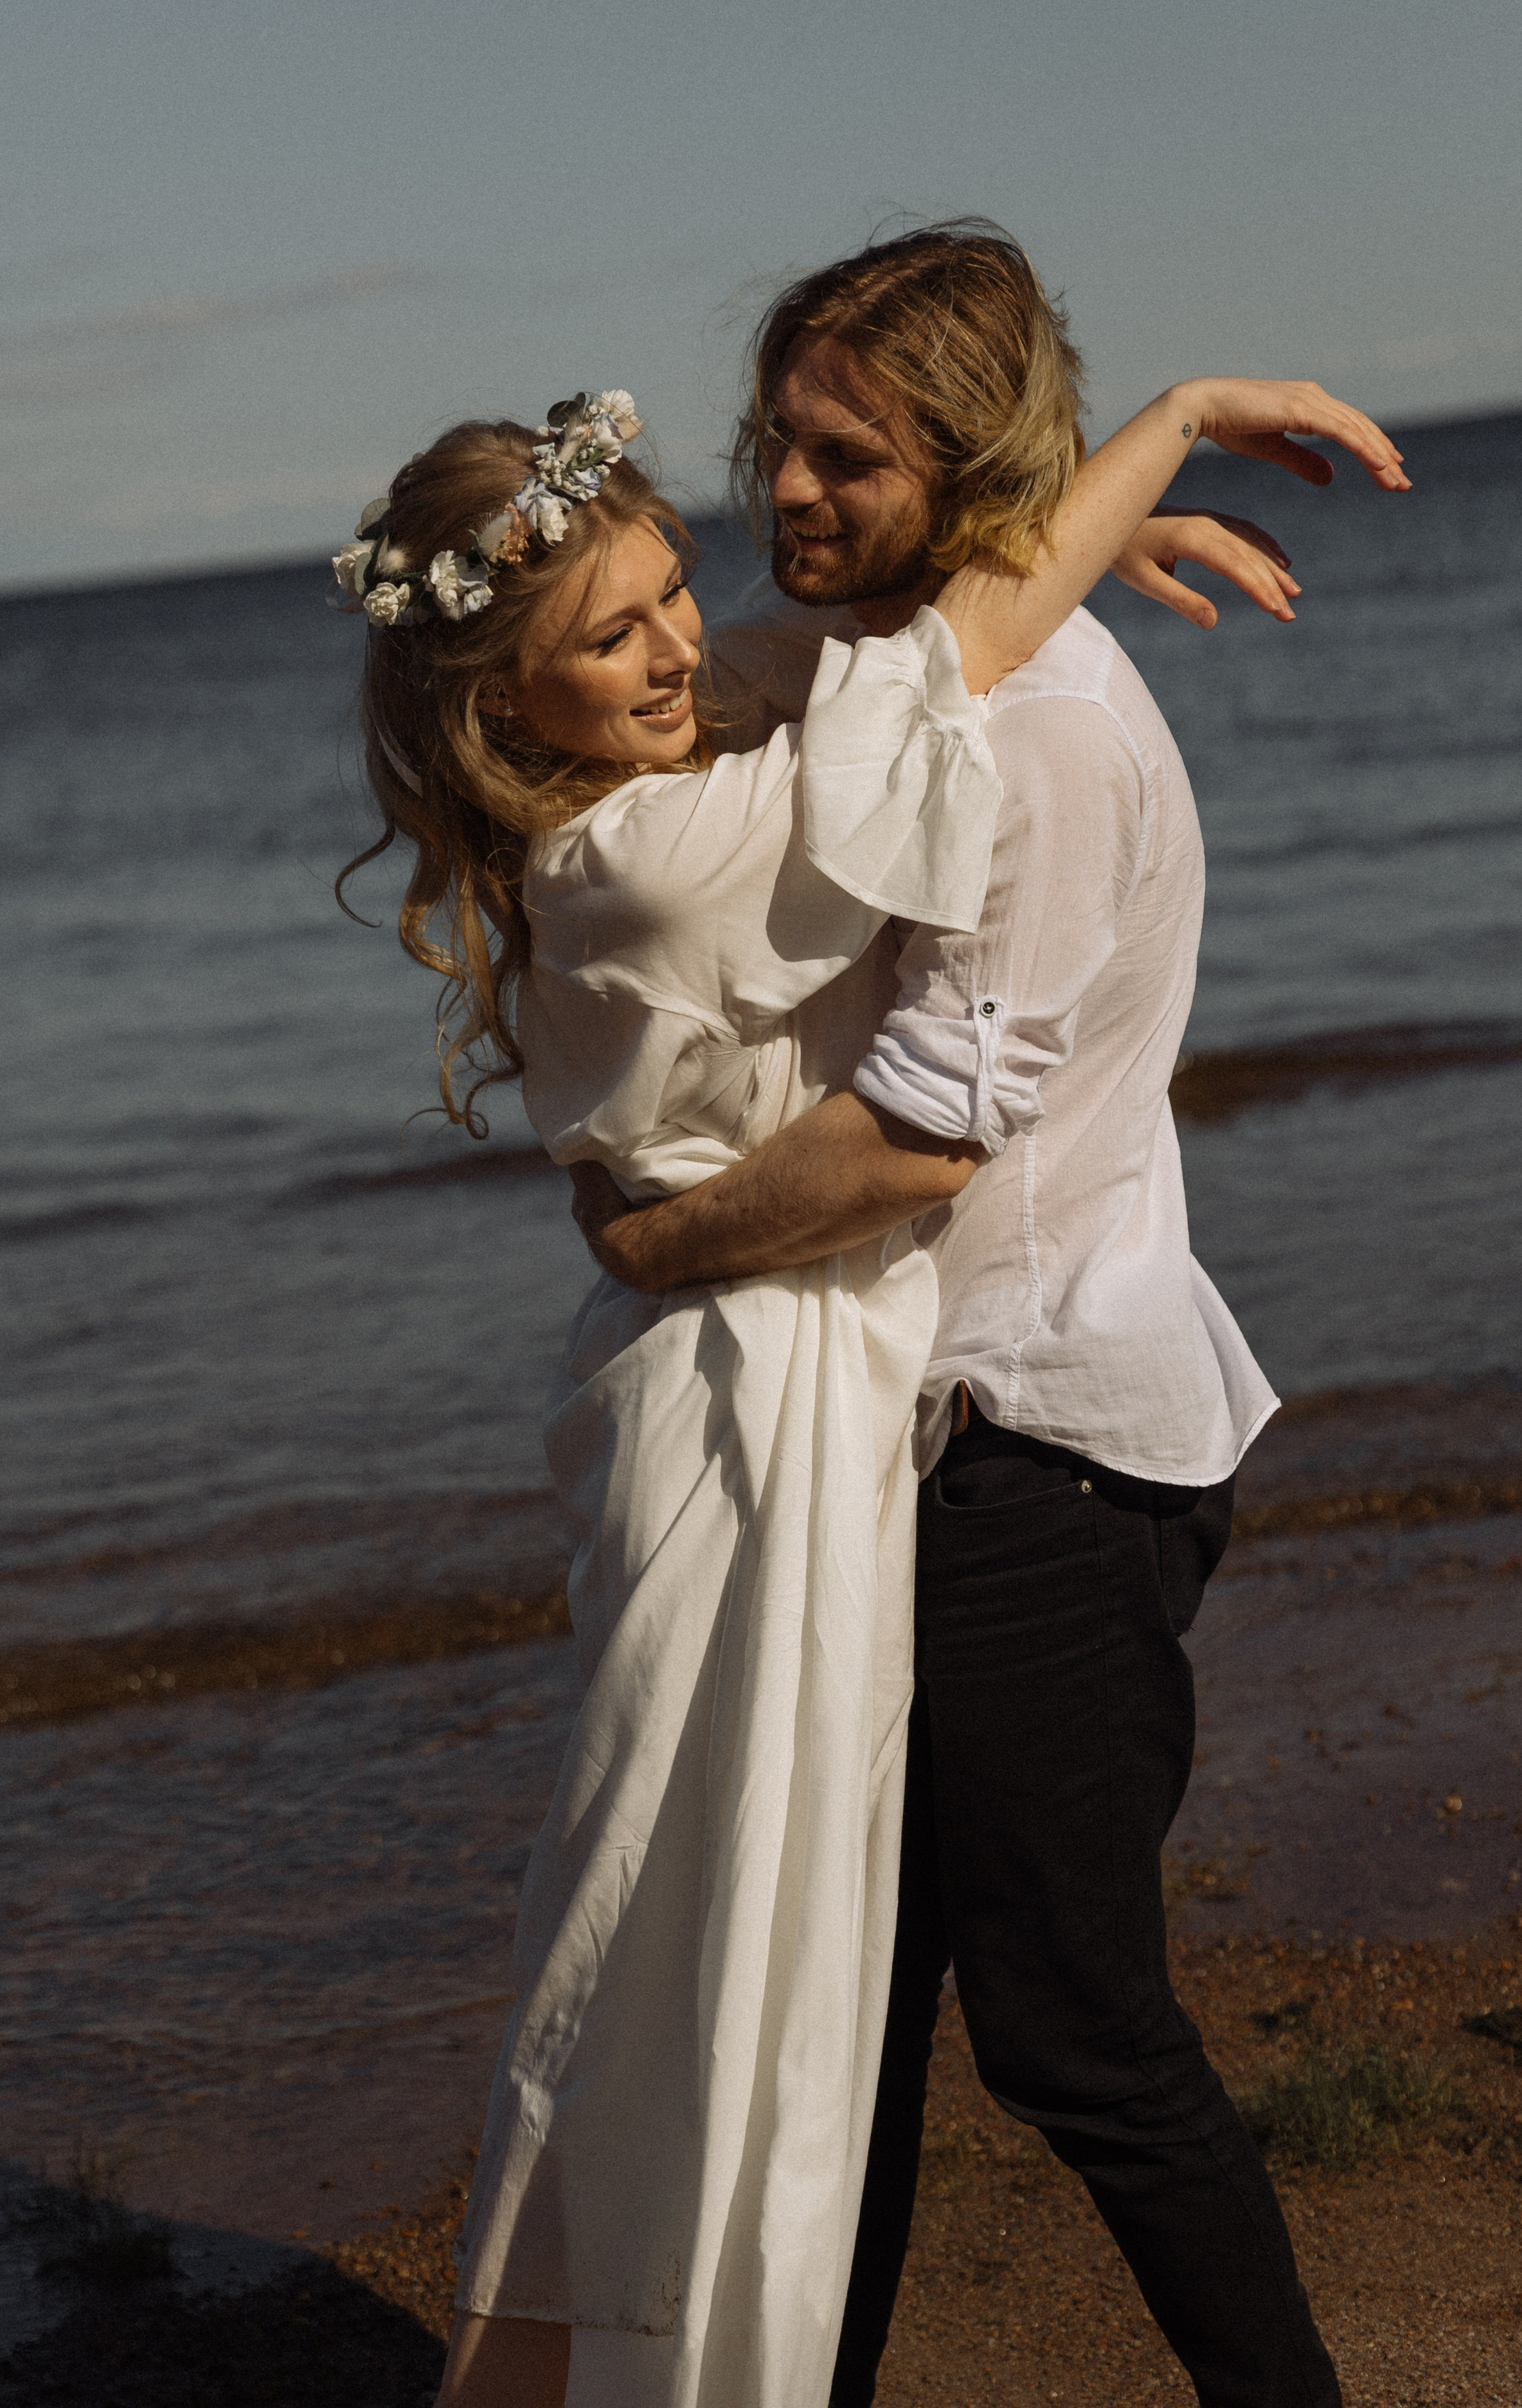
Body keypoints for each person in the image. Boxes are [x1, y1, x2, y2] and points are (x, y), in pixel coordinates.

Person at [332, 336, 1404, 2405]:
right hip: (756, 1421)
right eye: (608, 638)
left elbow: (861, 655)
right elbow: (905, 684)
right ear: (499, 704)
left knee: (794, 1962)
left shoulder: (651, 775)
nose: (673, 654)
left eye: (668, 595)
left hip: (837, 1409)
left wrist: (1070, 544)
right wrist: (1162, 432)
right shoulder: (640, 850)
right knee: (711, 1948)